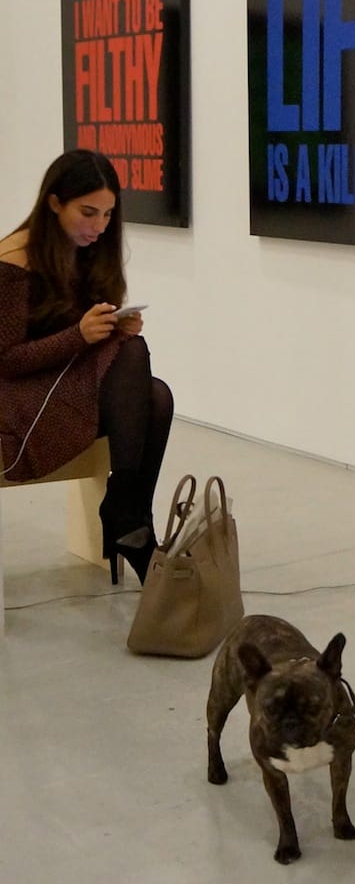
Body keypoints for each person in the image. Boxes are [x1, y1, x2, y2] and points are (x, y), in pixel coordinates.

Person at [0, 150, 173, 586]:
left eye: (108, 214)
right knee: (143, 377)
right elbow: (6, 361)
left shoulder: (91, 250)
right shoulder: (12, 261)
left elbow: (82, 337)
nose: (98, 226)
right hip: (18, 396)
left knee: (156, 393)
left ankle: (130, 513)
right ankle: (129, 519)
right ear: (54, 203)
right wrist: (79, 335)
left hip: (64, 379)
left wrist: (112, 327)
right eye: (88, 212)